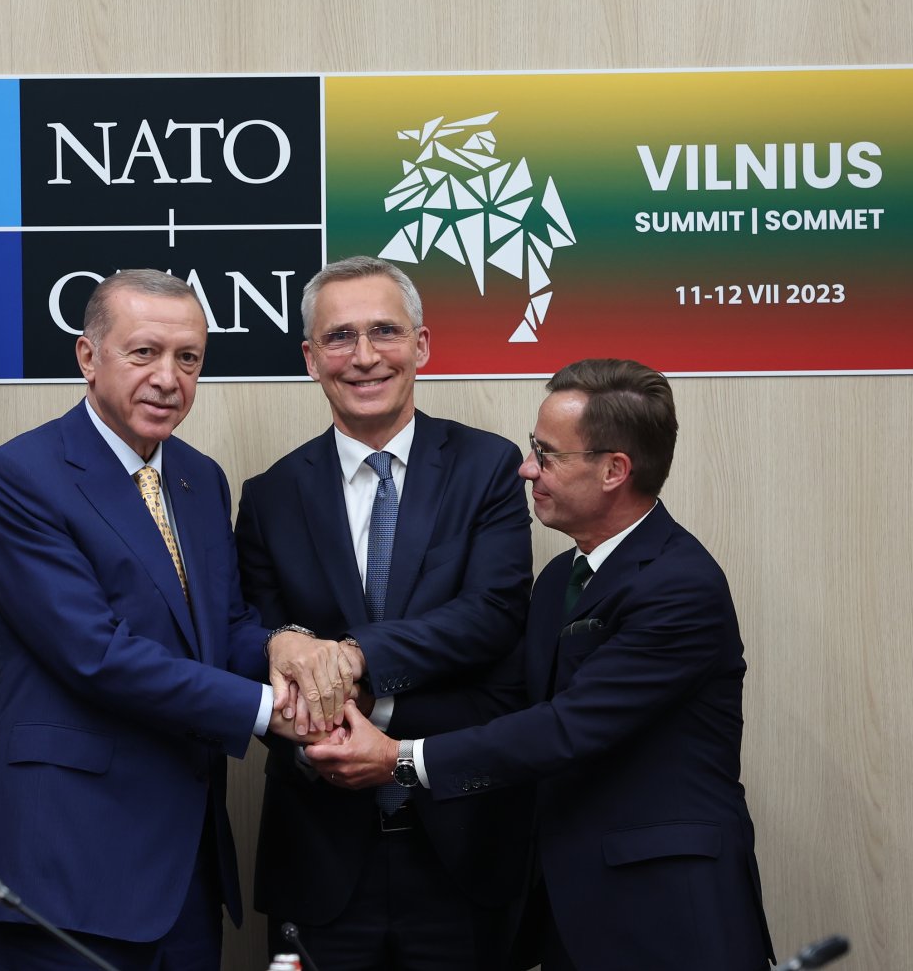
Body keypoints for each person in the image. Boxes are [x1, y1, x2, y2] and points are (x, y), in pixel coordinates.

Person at [310, 359, 774, 971]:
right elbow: (510, 703)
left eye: (548, 455)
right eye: (533, 448)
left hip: (666, 909)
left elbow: (566, 728)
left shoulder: (679, 585)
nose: (527, 468)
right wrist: (368, 709)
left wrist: (396, 759)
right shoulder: (560, 578)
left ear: (614, 470)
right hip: (568, 904)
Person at [0, 268, 308, 971]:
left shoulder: (199, 476)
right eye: (144, 352)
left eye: (188, 358)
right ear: (88, 358)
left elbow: (225, 622)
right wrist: (269, 708)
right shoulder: (20, 475)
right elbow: (95, 652)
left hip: (185, 869)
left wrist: (292, 651)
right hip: (67, 866)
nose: (168, 377)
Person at [236, 256, 534, 969]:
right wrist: (304, 673)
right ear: (311, 358)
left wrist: (353, 658)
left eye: (384, 332)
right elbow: (256, 641)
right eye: (339, 337)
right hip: (319, 859)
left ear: (421, 345)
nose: (364, 357)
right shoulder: (270, 495)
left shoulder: (488, 467)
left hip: (462, 847)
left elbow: (492, 614)